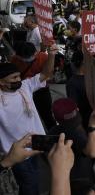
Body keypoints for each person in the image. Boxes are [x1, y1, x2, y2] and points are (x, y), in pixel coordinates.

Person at [0, 45, 57, 195]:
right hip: (16, 152)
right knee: (30, 186)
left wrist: (51, 55)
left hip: (37, 143)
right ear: (1, 82)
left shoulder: (25, 87)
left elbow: (46, 74)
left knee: (38, 178)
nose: (19, 80)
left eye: (18, 76)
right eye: (13, 78)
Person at [49, 98, 95, 195]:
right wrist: (93, 126)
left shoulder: (52, 131)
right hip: (80, 181)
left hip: (64, 177)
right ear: (77, 110)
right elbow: (93, 153)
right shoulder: (76, 133)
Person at [66, 50, 92, 128]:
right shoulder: (72, 83)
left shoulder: (92, 76)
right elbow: (74, 107)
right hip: (86, 122)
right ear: (83, 62)